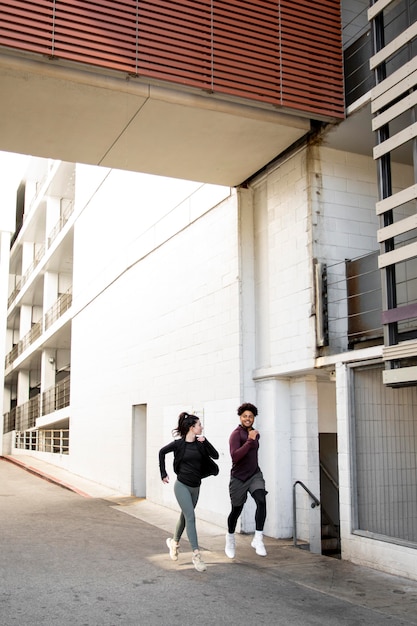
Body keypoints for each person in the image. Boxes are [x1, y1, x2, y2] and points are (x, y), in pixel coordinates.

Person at [159, 411, 219, 572]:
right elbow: (161, 452)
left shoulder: (201, 444)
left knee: (185, 516)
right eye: (199, 425)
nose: (202, 427)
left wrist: (205, 442)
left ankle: (174, 542)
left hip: (196, 487)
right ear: (192, 428)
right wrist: (163, 473)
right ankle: (197, 555)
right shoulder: (179, 444)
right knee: (191, 517)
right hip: (182, 486)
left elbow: (216, 456)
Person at [225, 402, 268, 558]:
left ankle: (258, 539)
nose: (248, 419)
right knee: (236, 510)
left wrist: (252, 438)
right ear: (240, 417)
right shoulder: (236, 434)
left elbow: (252, 455)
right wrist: (249, 441)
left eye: (250, 416)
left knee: (261, 501)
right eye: (245, 416)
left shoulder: (256, 433)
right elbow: (235, 456)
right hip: (238, 478)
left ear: (254, 418)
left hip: (255, 475)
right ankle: (230, 538)